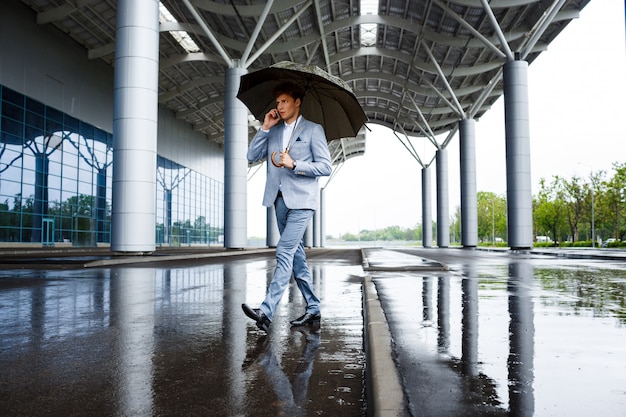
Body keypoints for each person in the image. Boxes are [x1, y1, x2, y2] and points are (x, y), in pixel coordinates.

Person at [242, 81, 332, 332]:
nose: (279, 106)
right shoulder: (273, 130)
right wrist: (264, 128)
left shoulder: (313, 130)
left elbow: (325, 167)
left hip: (303, 201)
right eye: (277, 102)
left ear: (297, 102)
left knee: (284, 251)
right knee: (297, 258)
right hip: (279, 200)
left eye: (284, 101)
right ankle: (313, 308)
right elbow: (251, 157)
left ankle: (266, 311)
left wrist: (295, 164)